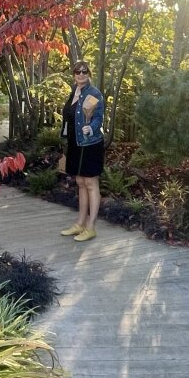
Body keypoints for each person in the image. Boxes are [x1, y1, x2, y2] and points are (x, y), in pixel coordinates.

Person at [59, 61, 105, 242]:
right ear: (74, 74)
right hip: (75, 144)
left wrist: (91, 128)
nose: (81, 74)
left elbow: (99, 118)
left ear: (89, 74)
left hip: (90, 144)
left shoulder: (94, 94)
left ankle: (91, 227)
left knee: (91, 183)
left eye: (84, 71)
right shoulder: (74, 93)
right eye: (78, 71)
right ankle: (80, 224)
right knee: (80, 182)